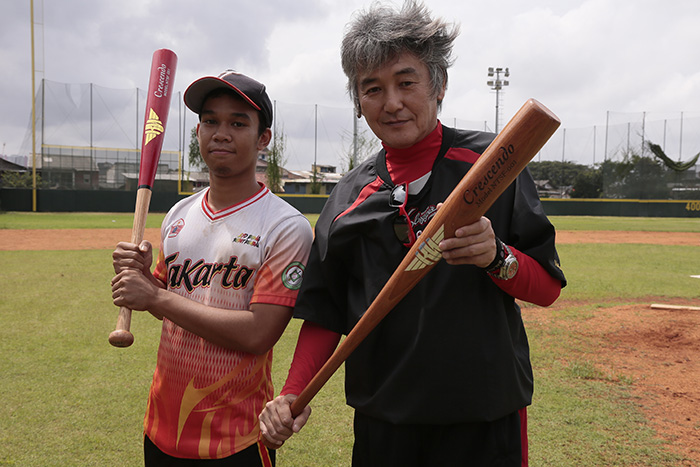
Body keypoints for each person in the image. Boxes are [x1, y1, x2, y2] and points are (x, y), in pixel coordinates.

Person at [258, 1, 566, 466]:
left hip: (483, 415)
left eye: (406, 82)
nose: (392, 102)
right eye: (373, 89)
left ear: (438, 85)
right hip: (386, 421)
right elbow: (326, 312)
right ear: (359, 104)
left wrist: (494, 256)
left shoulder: (494, 166)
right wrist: (293, 393)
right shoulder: (347, 198)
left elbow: (545, 288)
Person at [111, 70, 313, 466]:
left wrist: (154, 294)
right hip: (161, 429)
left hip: (235, 439)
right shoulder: (178, 214)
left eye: (238, 122)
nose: (221, 132)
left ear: (263, 138)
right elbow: (167, 303)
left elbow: (259, 334)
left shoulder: (285, 226)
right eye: (210, 121)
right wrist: (141, 279)